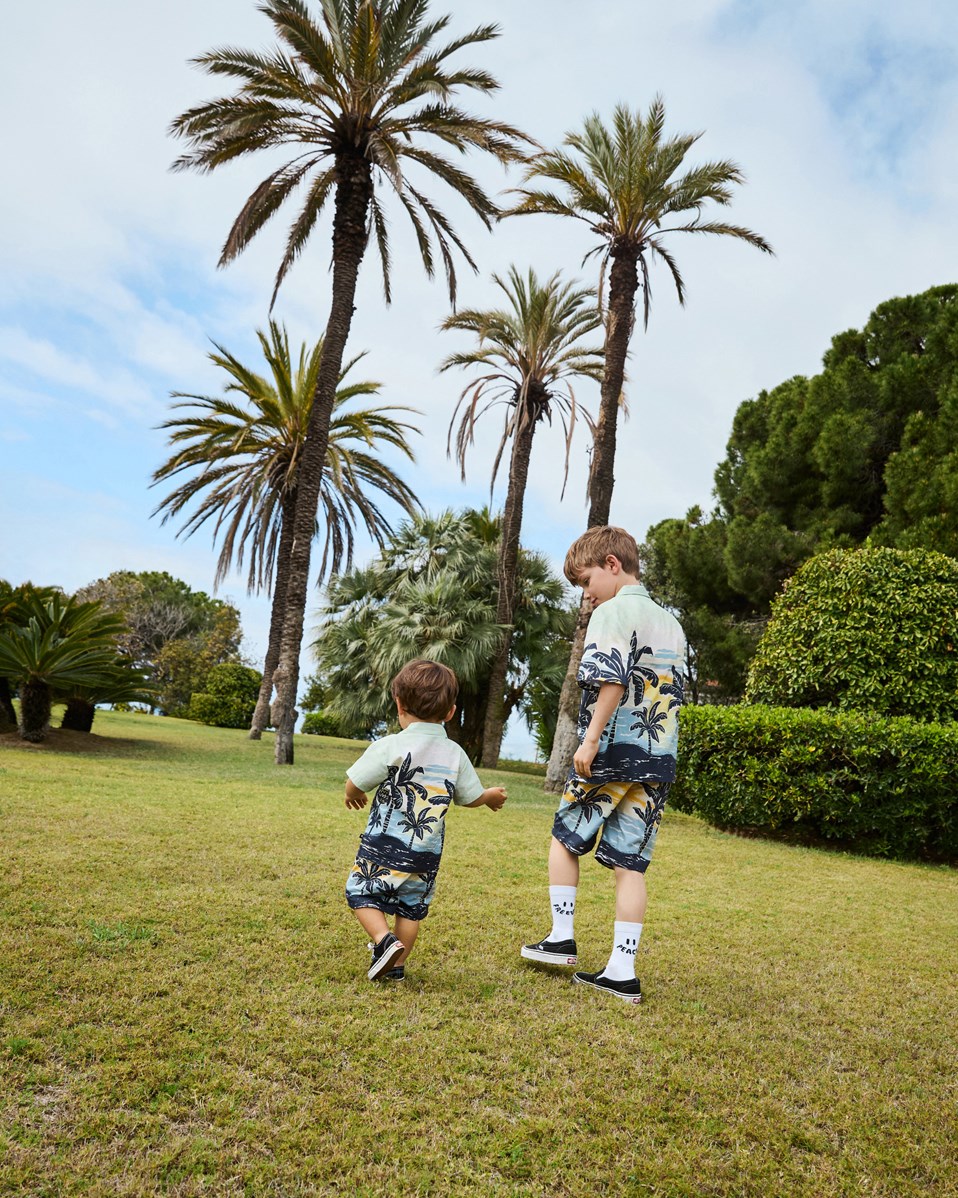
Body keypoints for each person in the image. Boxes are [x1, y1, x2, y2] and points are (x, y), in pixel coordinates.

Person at [521, 526, 686, 1003]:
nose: (586, 594)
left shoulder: (612, 612)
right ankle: (621, 970)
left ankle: (560, 938)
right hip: (658, 759)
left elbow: (611, 681)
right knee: (630, 865)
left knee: (564, 838)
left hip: (613, 752)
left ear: (612, 564)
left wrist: (589, 741)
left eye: (586, 580)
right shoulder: (671, 622)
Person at [344, 658, 508, 981]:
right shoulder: (454, 753)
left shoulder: (391, 745)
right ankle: (396, 967)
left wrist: (351, 793)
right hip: (427, 854)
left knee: (360, 891)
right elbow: (469, 796)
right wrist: (488, 797)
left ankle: (383, 941)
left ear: (399, 704)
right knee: (411, 907)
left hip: (383, 845)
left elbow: (358, 780)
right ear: (450, 713)